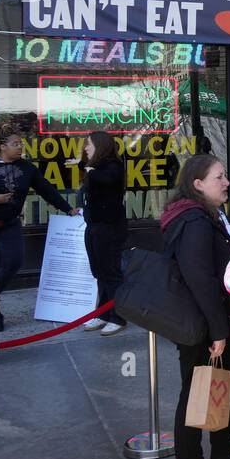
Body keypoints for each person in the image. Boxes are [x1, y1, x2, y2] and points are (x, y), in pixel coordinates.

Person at [162, 155, 230, 459]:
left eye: (225, 175)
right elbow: (199, 277)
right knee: (196, 387)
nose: (227, 182)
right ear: (198, 184)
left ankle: (223, 446)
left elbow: (218, 272)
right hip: (198, 320)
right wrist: (217, 329)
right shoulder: (194, 221)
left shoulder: (207, 215)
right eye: (220, 177)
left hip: (214, 312)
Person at [0, 123, 79, 332]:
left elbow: (46, 189)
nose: (21, 147)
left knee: (13, 262)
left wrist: (68, 209)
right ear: (2, 146)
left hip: (11, 224)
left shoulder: (27, 168)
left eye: (22, 143)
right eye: (16, 144)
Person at [79, 131, 129, 336]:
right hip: (94, 226)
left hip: (109, 228)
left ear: (100, 146)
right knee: (99, 272)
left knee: (111, 272)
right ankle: (103, 313)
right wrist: (85, 166)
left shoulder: (113, 167)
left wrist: (87, 168)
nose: (85, 149)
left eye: (89, 145)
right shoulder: (95, 168)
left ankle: (119, 317)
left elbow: (106, 179)